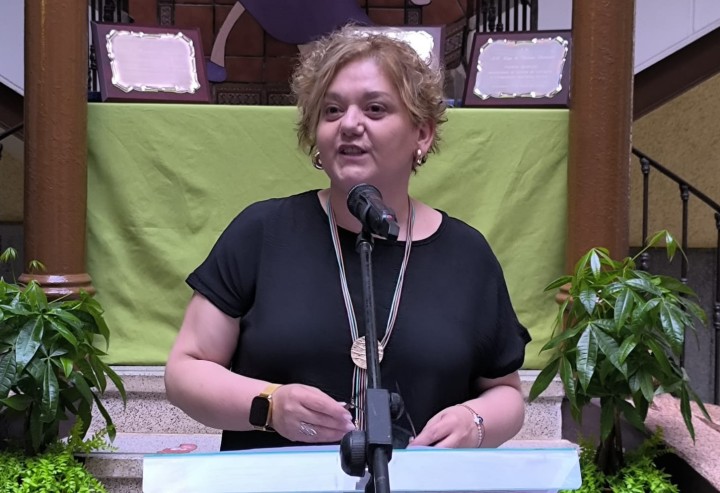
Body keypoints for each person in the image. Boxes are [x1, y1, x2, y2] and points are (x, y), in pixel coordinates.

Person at [164, 26, 531, 452]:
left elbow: (505, 393)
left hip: (418, 480)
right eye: (333, 110)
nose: (350, 124)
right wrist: (269, 405)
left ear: (422, 134)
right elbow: (185, 370)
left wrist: (475, 423)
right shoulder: (262, 232)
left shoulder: (467, 255)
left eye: (375, 109)